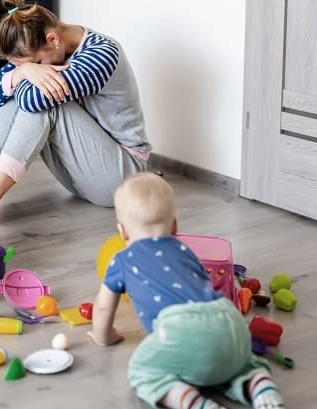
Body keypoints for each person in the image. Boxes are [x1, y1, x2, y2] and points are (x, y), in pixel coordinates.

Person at [0, 0, 151, 234]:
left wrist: (22, 75)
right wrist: (23, 72)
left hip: (122, 178)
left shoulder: (101, 53)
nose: (32, 69)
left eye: (34, 63)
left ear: (52, 40)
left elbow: (32, 102)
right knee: (12, 92)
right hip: (81, 176)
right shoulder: (35, 50)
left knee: (42, 101)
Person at [87, 172, 285, 409]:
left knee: (142, 371)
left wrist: (104, 337)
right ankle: (259, 385)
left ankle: (192, 402)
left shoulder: (121, 260)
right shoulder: (184, 249)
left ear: (122, 232)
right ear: (175, 226)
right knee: (241, 363)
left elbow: (102, 307)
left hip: (180, 331)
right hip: (227, 318)